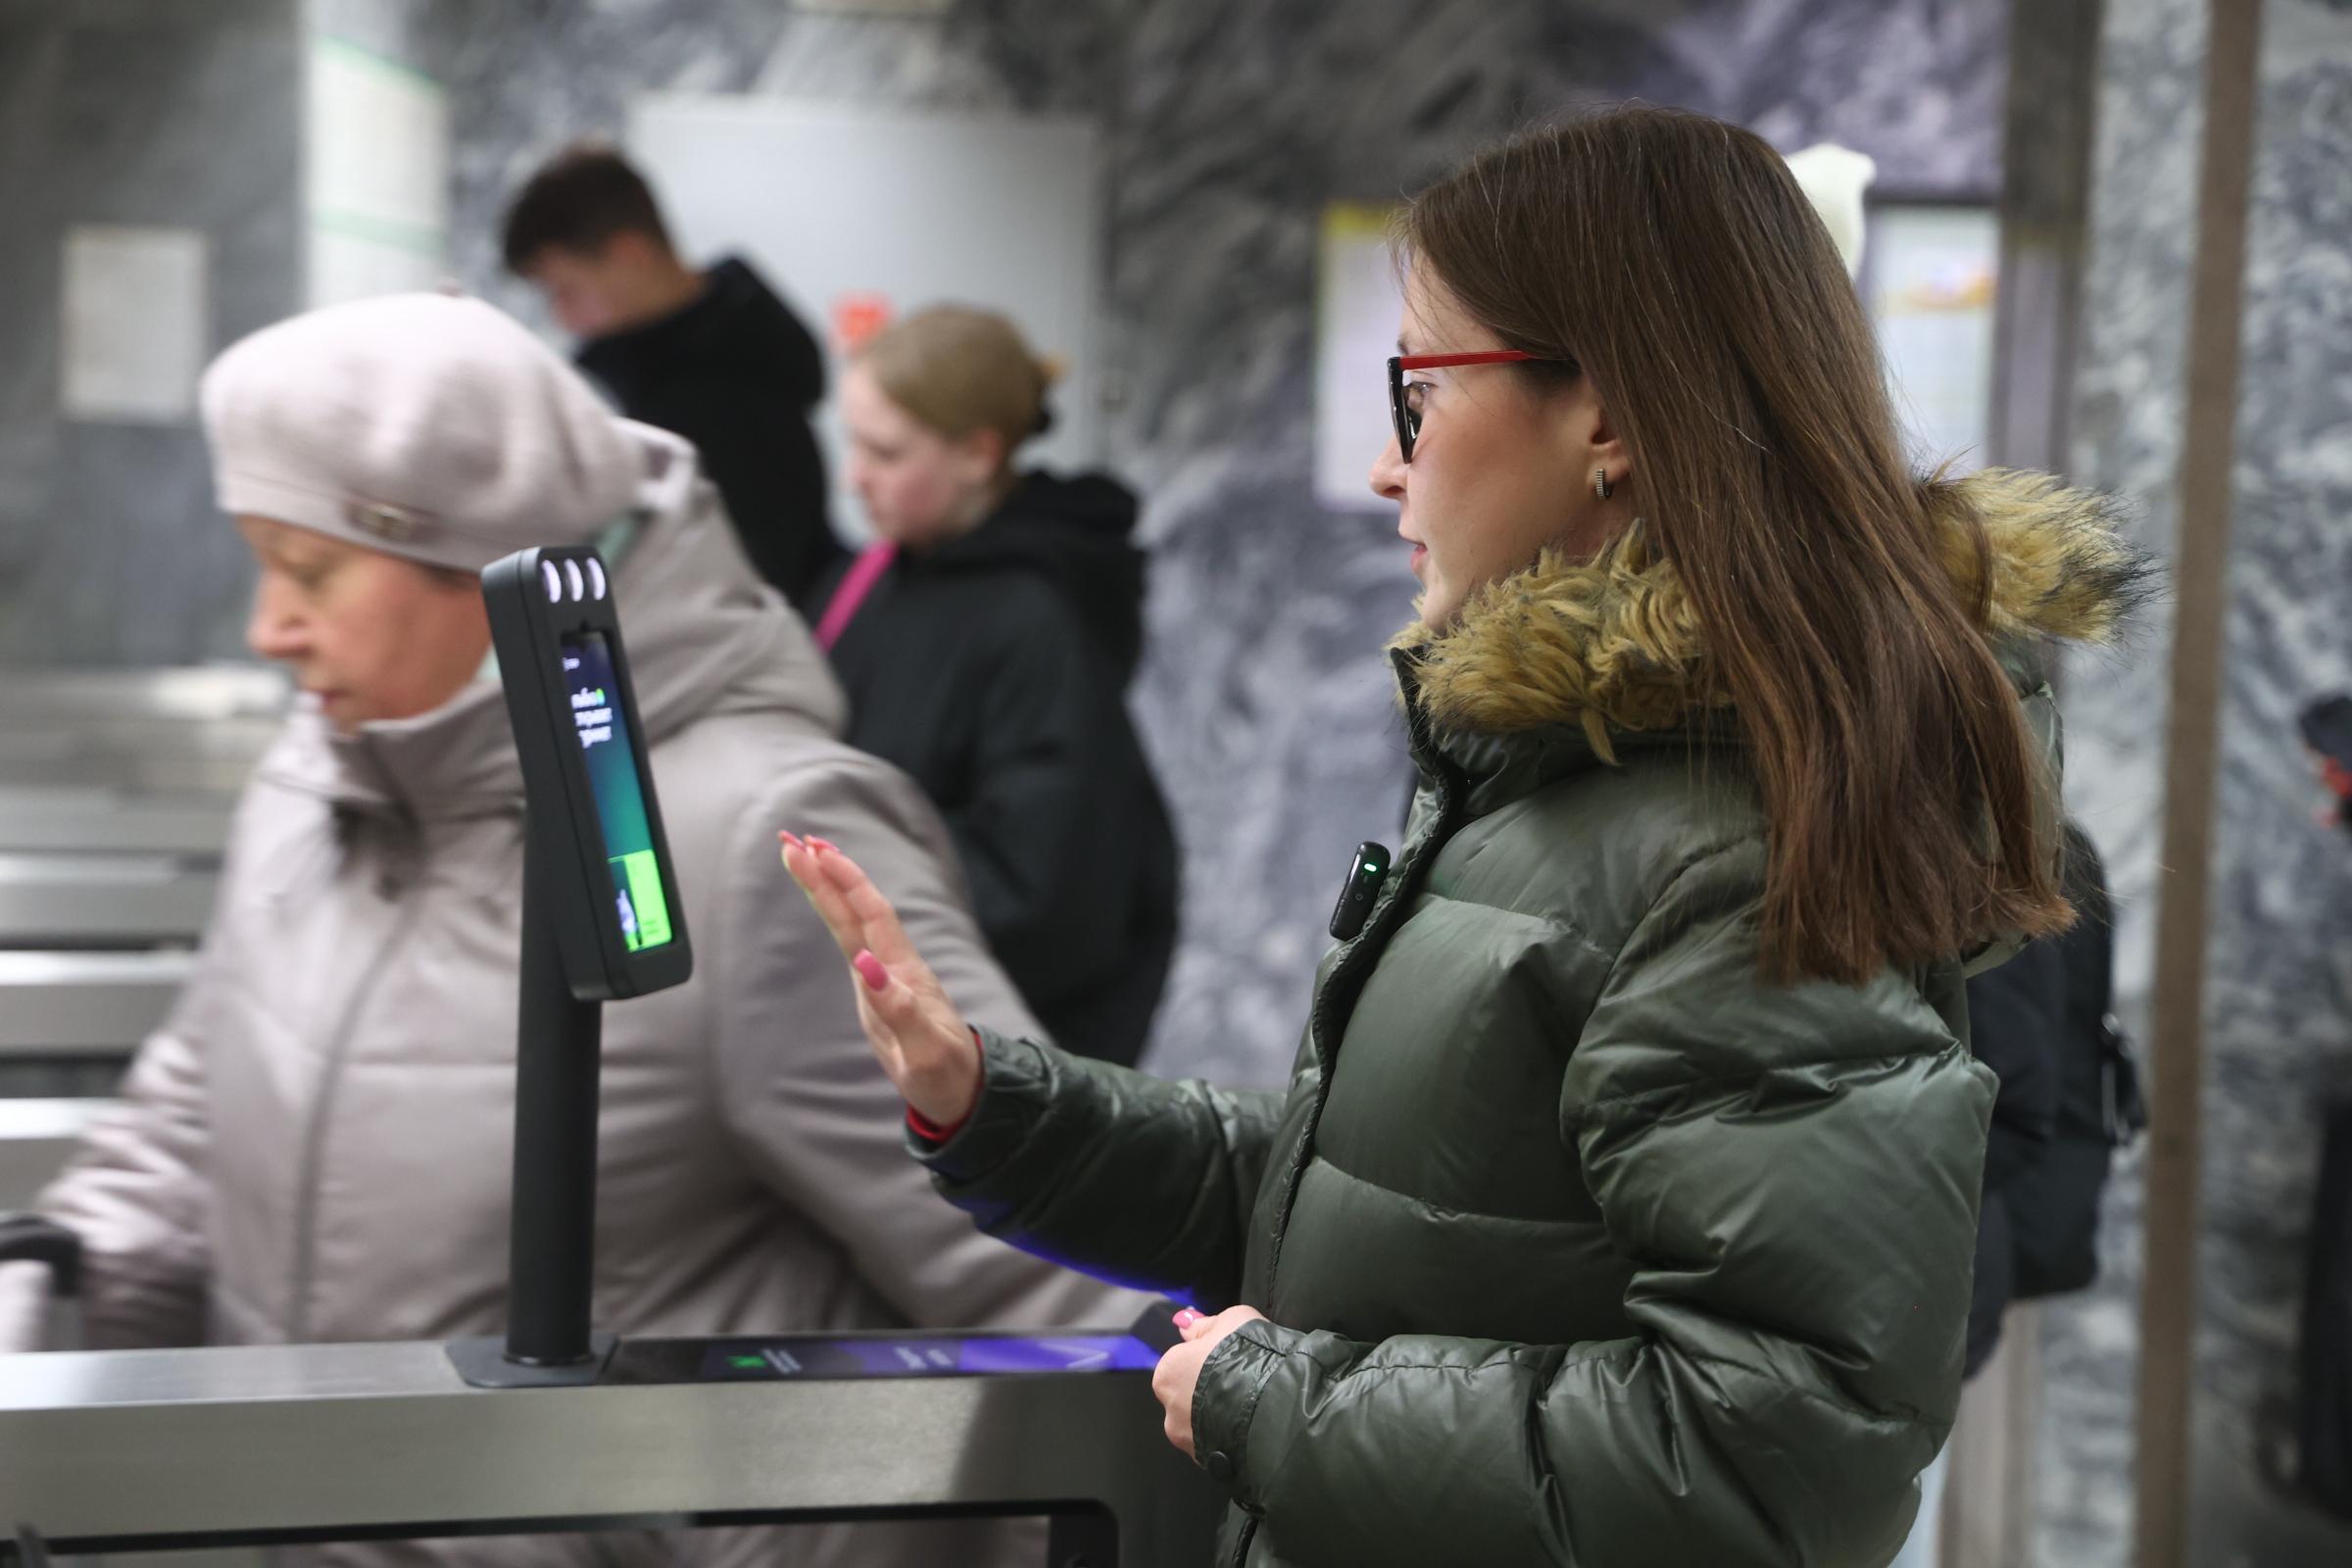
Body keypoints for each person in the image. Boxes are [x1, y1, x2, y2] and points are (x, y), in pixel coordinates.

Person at [781, 106, 2150, 1568]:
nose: (1388, 466)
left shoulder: (1729, 835)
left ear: (1611, 418)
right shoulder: (1570, 779)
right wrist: (997, 1103)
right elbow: (1382, 1201)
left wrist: (1272, 1396)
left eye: (1418, 392)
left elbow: (1775, 1454)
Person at [0, 294, 1143, 1568]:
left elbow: (1057, 1281)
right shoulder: (314, 780)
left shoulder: (747, 842)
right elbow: (189, 1120)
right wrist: (51, 1288)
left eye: (310, 569)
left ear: (480, 562)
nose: (269, 627)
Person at [813, 305, 1178, 1069]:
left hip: (984, 1041)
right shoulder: (880, 572)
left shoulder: (1038, 617)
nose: (854, 477)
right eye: (852, 443)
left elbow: (1047, 888)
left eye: (883, 450)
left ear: (978, 454)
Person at [503, 139, 843, 614]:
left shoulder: (733, 392)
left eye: (566, 289)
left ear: (629, 253)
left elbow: (753, 586)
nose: (561, 316)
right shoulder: (644, 374)